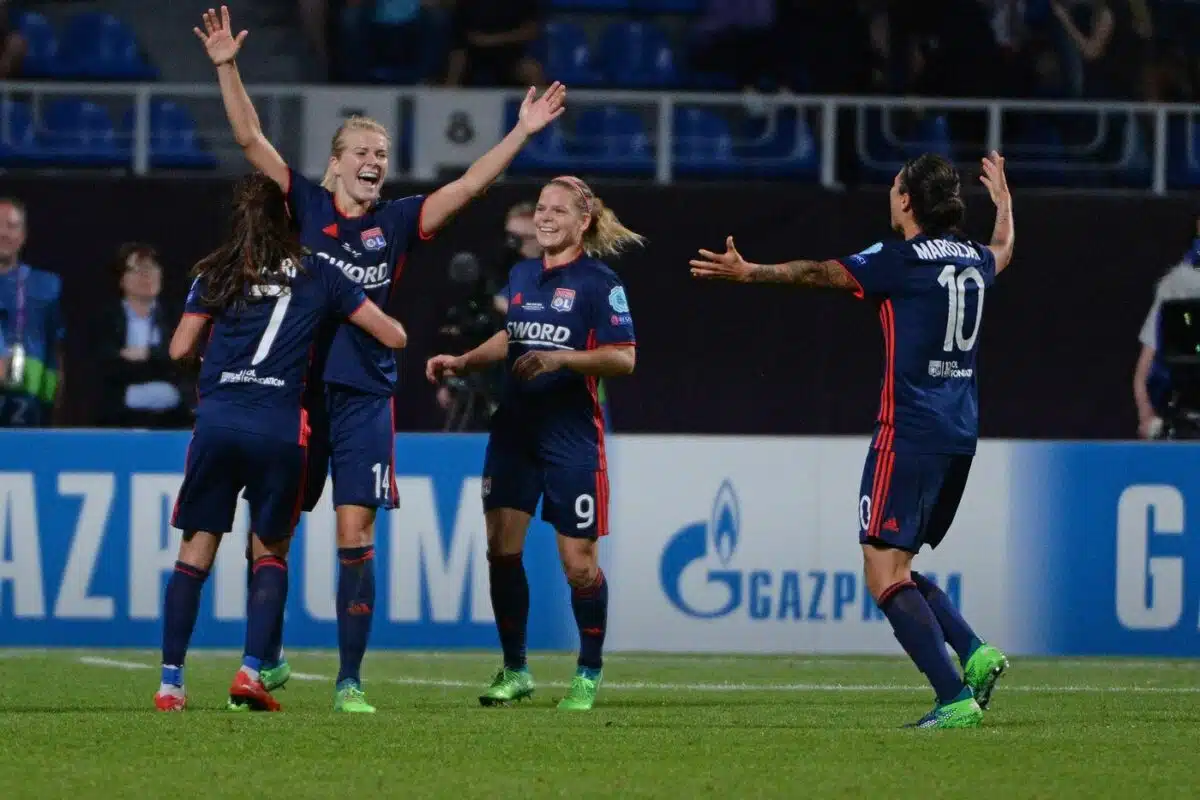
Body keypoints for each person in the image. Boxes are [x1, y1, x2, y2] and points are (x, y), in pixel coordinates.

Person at [195, 5, 567, 712]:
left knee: (354, 532)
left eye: (382, 157)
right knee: (273, 531)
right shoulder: (304, 206)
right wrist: (226, 66)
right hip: (294, 396)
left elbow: (468, 188)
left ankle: (348, 681)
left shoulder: (395, 224)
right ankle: (263, 660)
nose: (374, 164)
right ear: (335, 163)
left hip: (364, 396)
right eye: (362, 153)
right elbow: (249, 138)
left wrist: (520, 130)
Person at [689, 152, 1015, 730]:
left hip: (908, 432)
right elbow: (1002, 251)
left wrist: (750, 272)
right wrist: (1005, 202)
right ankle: (974, 652)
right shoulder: (972, 260)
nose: (890, 196)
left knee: (881, 571)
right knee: (901, 565)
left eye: (895, 187)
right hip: (959, 434)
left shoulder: (901, 259)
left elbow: (820, 273)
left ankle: (953, 697)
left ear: (909, 201)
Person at [155, 174, 408, 713]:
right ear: (293, 221)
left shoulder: (215, 272)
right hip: (279, 427)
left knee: (195, 551)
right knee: (270, 550)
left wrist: (216, 362)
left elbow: (179, 346)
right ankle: (251, 672)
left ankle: (171, 683)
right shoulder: (321, 272)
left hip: (219, 421)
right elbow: (394, 335)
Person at [425, 176, 641, 711]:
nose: (544, 217)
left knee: (579, 564)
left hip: (570, 436)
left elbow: (624, 356)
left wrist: (563, 359)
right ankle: (516, 668)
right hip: (515, 432)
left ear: (582, 221)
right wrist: (464, 360)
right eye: (541, 208)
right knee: (502, 549)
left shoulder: (599, 281)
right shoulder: (521, 275)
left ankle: (588, 670)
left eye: (557, 210)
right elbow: (513, 335)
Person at [95, 243, 192, 429]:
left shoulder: (176, 317)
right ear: (121, 279)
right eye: (138, 269)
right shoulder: (106, 320)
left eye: (152, 268)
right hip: (120, 419)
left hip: (171, 420)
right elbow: (106, 366)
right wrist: (158, 361)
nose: (147, 276)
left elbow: (182, 361)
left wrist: (147, 354)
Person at [1133, 218, 1200, 439]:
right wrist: (1147, 417)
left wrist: (1146, 417)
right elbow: (1142, 374)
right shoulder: (1174, 286)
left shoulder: (1172, 282)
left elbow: (1140, 378)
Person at [0, 197, 64, 428]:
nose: (3, 233)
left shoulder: (47, 285)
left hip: (29, 406)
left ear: (23, 235)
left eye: (11, 226)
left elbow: (55, 348)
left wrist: (55, 408)